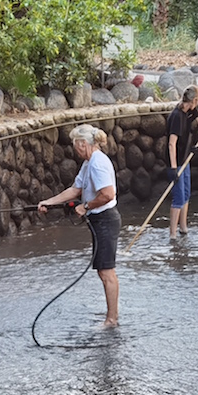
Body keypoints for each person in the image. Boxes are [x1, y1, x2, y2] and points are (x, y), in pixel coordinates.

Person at [39, 124, 120, 328]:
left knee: (106, 271)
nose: (74, 149)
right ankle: (111, 316)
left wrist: (86, 206)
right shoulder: (89, 162)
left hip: (105, 220)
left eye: (76, 145)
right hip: (100, 220)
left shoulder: (97, 164)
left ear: (83, 144)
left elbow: (108, 194)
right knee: (103, 270)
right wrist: (50, 202)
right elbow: (75, 189)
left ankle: (112, 319)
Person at [164, 86, 198, 241]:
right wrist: (173, 168)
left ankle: (183, 227)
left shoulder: (191, 111)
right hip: (175, 161)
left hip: (185, 159)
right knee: (178, 197)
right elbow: (171, 144)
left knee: (186, 194)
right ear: (193, 100)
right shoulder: (176, 116)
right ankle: (173, 234)